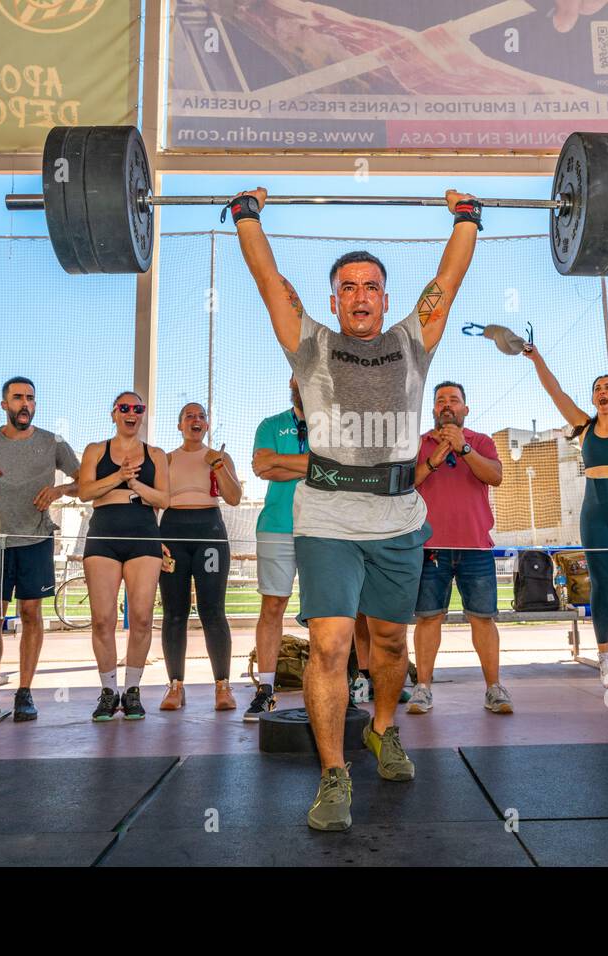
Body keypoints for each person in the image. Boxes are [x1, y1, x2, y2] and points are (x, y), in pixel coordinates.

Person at [231, 184, 478, 831]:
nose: (361, 295)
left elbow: (446, 281)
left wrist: (467, 217)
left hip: (397, 515)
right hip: (328, 516)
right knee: (332, 643)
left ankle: (384, 728)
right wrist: (247, 215)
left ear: (386, 299)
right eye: (348, 286)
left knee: (391, 645)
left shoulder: (409, 342)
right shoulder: (311, 345)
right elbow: (268, 282)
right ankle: (334, 772)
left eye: (371, 285)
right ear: (334, 298)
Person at [522, 314, 608, 689]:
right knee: (601, 585)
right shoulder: (584, 429)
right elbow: (556, 393)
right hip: (594, 513)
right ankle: (605, 657)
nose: (602, 391)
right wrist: (537, 358)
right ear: (594, 398)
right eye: (597, 388)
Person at [0, 376, 81, 723]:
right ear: (4, 404)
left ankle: (24, 692)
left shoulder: (52, 441)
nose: (25, 404)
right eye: (18, 398)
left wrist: (59, 491)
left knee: (30, 614)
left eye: (30, 398)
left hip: (36, 539)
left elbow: (84, 481)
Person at [409, 381, 511, 714]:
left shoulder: (482, 442)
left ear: (466, 409)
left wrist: (464, 449)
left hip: (476, 547)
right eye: (441, 401)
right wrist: (436, 458)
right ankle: (422, 688)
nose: (447, 405)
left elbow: (495, 476)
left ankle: (494, 688)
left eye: (454, 400)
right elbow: (409, 482)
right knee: (428, 618)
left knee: (483, 619)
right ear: (434, 410)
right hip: (429, 547)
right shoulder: (420, 443)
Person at [76, 391, 169, 721]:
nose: (132, 413)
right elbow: (85, 491)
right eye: (125, 407)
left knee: (142, 617)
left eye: (138, 408)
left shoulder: (156, 454)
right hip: (104, 532)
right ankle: (108, 691)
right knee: (103, 619)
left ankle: (131, 690)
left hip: (143, 533)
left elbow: (164, 498)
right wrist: (119, 476)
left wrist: (136, 486)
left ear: (143, 414)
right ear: (114, 413)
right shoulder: (95, 450)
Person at [158, 402, 242, 711]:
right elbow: (155, 501)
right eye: (189, 416)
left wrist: (218, 466)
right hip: (173, 532)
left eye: (202, 416)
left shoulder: (219, 458)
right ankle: (175, 686)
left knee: (212, 610)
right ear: (179, 425)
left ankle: (222, 685)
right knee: (174, 612)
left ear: (207, 426)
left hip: (209, 532)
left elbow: (233, 498)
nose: (196, 420)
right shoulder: (165, 459)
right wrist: (156, 541)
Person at [248, 377, 308, 720]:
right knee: (272, 605)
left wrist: (280, 462)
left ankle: (338, 684)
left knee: (326, 613)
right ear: (291, 381)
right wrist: (310, 464)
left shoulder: (332, 423)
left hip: (323, 527)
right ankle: (267, 690)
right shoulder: (270, 424)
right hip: (276, 526)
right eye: (296, 374)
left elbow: (333, 468)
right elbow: (260, 467)